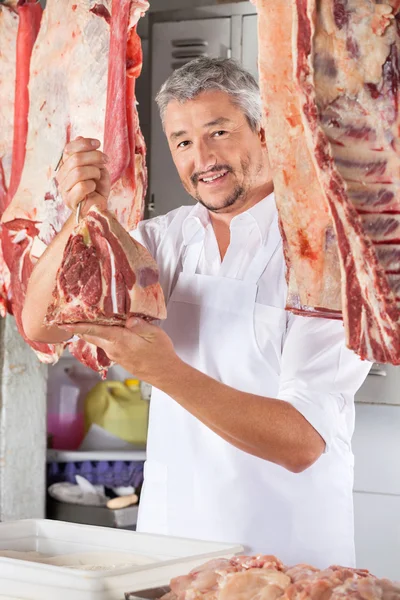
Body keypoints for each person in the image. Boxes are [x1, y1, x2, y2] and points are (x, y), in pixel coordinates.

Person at [22, 57, 371, 568]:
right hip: (170, 550)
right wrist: (84, 211)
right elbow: (43, 324)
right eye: (183, 142)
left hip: (289, 560)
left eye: (219, 132)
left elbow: (302, 442)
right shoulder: (167, 240)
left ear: (265, 130)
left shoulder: (323, 252)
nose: (202, 158)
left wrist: (165, 371)